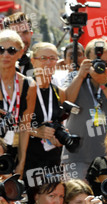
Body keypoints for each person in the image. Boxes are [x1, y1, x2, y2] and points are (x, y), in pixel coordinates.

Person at [62, 38, 107, 180]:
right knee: (76, 198)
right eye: (97, 62)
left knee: (106, 198)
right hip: (77, 154)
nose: (101, 66)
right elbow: (66, 100)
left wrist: (104, 83)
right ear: (87, 60)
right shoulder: (74, 77)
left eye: (105, 63)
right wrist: (80, 76)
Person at [24, 42, 66, 181]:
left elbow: (60, 122)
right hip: (27, 160)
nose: (48, 63)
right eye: (43, 58)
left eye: (52, 58)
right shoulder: (23, 88)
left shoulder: (60, 92)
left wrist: (60, 136)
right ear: (33, 61)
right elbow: (9, 126)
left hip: (53, 161)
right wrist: (35, 131)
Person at [0, 29, 36, 177]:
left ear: (20, 53)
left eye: (11, 50)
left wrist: (21, 163)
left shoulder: (29, 85)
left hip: (13, 149)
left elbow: (25, 126)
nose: (5, 55)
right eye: (1, 49)